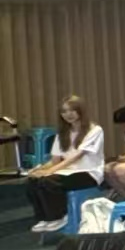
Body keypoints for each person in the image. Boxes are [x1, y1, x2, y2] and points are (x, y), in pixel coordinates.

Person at [24, 95, 105, 234]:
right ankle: (44, 218)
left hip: (89, 173)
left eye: (72, 110)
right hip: (66, 171)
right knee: (32, 180)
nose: (68, 115)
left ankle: (59, 216)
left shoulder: (95, 130)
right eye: (64, 112)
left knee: (49, 181)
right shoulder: (62, 133)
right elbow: (55, 160)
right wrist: (39, 169)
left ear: (80, 111)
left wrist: (50, 172)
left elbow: (77, 156)